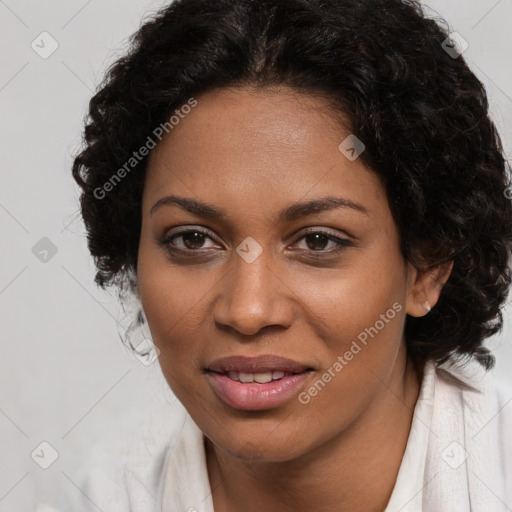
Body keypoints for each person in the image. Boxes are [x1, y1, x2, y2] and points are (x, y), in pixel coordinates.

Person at [70, 0, 512, 510]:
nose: (248, 310)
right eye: (192, 239)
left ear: (427, 266)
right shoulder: (102, 496)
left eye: (318, 241)